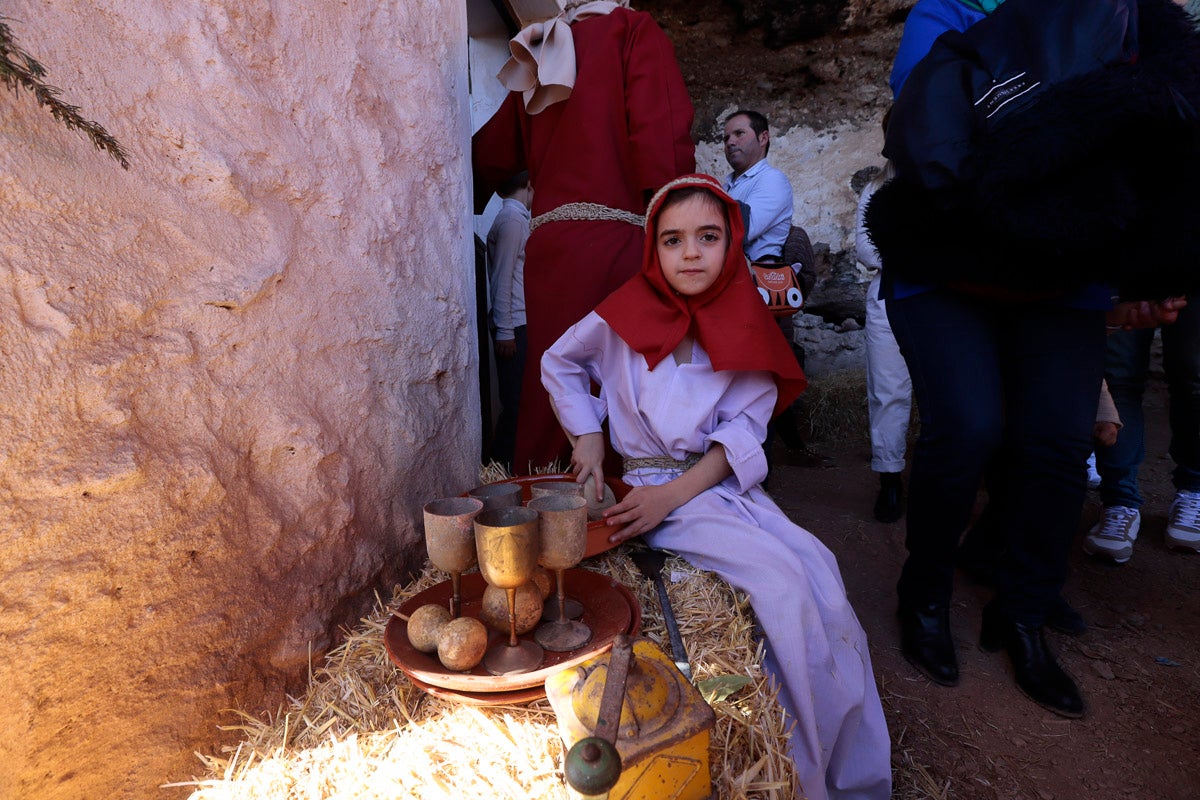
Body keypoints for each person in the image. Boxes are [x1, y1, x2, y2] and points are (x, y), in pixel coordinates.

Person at [867, 0, 1198, 720]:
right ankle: (923, 595)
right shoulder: (946, 14)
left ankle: (1022, 612)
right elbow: (932, 139)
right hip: (949, 255)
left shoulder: (1131, 20)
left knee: (1056, 443)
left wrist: (1144, 273)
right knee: (969, 426)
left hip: (1060, 267)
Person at [541, 174, 891, 800]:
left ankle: (835, 764)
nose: (691, 254)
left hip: (709, 488)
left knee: (818, 571)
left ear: (732, 243)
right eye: (673, 240)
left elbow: (741, 436)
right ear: (654, 247)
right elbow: (559, 362)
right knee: (782, 587)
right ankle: (801, 764)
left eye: (708, 237)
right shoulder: (622, 313)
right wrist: (587, 435)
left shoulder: (744, 320)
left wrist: (670, 498)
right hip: (646, 484)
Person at [472, 0, 695, 473]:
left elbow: (493, 151)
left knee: (552, 374)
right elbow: (662, 141)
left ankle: (546, 489)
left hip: (549, 251)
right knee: (616, 377)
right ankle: (613, 492)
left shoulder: (541, 45)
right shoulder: (631, 30)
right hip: (618, 242)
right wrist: (679, 230)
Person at [1084, 303, 1200, 563]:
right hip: (1125, 280)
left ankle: (1195, 490)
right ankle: (1119, 501)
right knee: (1118, 375)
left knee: (1194, 374)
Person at [856, 159, 910, 523]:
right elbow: (865, 248)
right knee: (888, 390)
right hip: (889, 294)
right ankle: (890, 478)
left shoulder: (946, 174)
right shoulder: (876, 187)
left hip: (941, 296)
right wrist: (917, 257)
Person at [484, 171, 533, 469]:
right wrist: (505, 330)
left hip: (515, 322)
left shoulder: (514, 219)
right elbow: (502, 277)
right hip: (513, 324)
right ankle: (499, 468)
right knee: (515, 403)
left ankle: (507, 466)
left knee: (519, 401)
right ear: (529, 185)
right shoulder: (513, 220)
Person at [722, 110, 794, 261]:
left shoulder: (772, 179)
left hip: (756, 272)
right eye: (726, 138)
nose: (730, 142)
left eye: (739, 133)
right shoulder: (726, 186)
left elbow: (740, 230)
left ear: (763, 138)